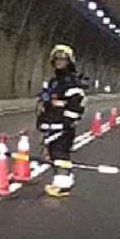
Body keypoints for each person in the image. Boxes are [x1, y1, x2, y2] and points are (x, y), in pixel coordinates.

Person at [37, 45, 86, 198]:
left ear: (69, 62)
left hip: (62, 127)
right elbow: (46, 104)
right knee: (54, 154)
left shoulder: (71, 83)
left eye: (63, 59)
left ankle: (63, 185)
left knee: (60, 153)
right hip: (51, 125)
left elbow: (77, 104)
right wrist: (42, 119)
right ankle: (61, 181)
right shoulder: (54, 82)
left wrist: (67, 122)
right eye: (57, 59)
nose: (59, 62)